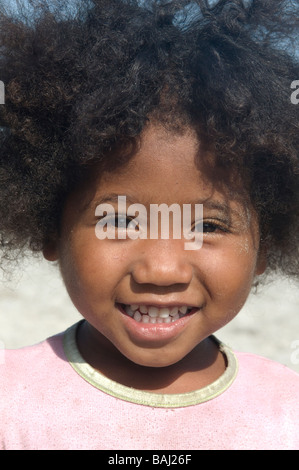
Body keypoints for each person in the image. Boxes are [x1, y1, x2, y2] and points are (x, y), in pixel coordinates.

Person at [0, 0, 298, 450]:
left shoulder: (287, 413)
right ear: (49, 229)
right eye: (120, 220)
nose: (161, 270)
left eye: (209, 227)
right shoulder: (9, 401)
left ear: (266, 245)